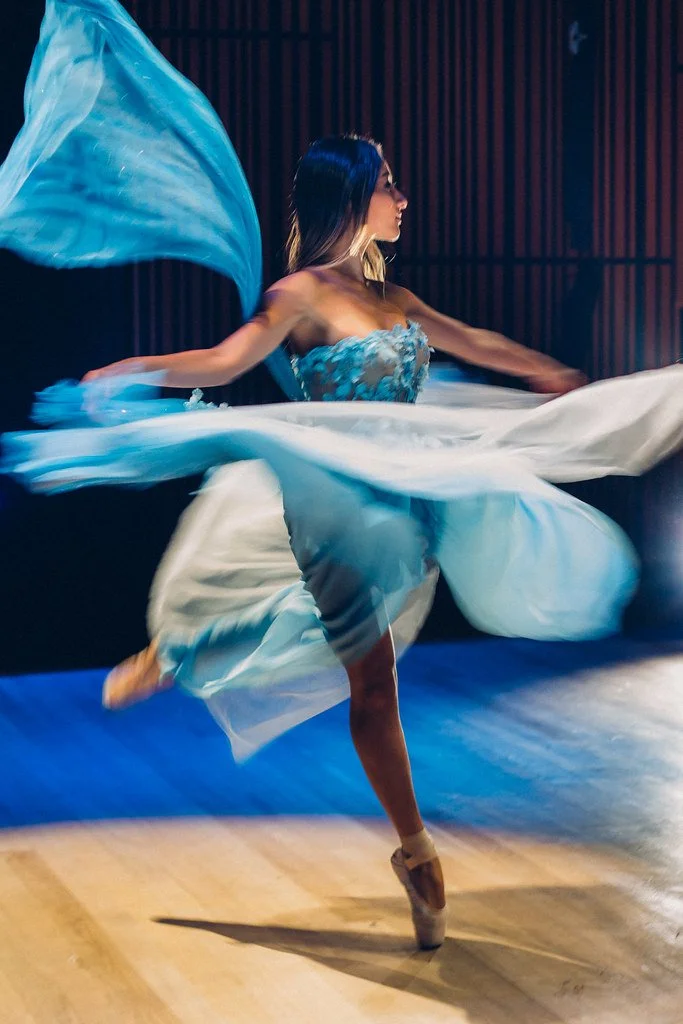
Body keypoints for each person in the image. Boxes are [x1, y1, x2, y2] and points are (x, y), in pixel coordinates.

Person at [3, 0, 683, 953]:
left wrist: (541, 369)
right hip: (331, 502)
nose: (402, 197)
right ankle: (416, 852)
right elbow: (226, 361)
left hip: (403, 491)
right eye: (388, 184)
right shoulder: (299, 295)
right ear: (353, 196)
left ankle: (180, 652)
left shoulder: (392, 295)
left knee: (328, 634)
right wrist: (139, 367)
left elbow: (470, 339)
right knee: (372, 679)